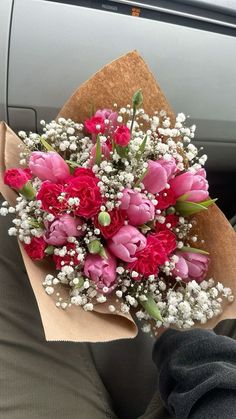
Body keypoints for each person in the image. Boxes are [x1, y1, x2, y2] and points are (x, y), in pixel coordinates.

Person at [1, 201, 236, 419]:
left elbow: (215, 393)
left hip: (208, 388)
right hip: (211, 382)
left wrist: (172, 329)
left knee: (10, 234)